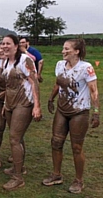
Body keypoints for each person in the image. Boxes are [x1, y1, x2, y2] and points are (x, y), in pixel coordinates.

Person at [42, 39, 100, 194]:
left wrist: (96, 112)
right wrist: (50, 98)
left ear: (77, 51)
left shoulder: (86, 68)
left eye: (67, 49)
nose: (63, 51)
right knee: (56, 141)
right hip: (62, 109)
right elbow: (58, 83)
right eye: (63, 48)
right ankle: (56, 175)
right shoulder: (60, 65)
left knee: (76, 147)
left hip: (79, 112)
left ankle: (79, 180)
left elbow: (93, 90)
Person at [1, 34, 42, 190]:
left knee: (14, 138)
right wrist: (5, 104)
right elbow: (8, 86)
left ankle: (18, 178)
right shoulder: (6, 62)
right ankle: (20, 167)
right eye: (3, 43)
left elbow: (34, 82)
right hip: (11, 103)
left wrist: (37, 106)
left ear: (16, 46)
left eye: (8, 44)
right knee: (17, 137)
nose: (5, 46)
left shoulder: (25, 60)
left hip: (24, 103)